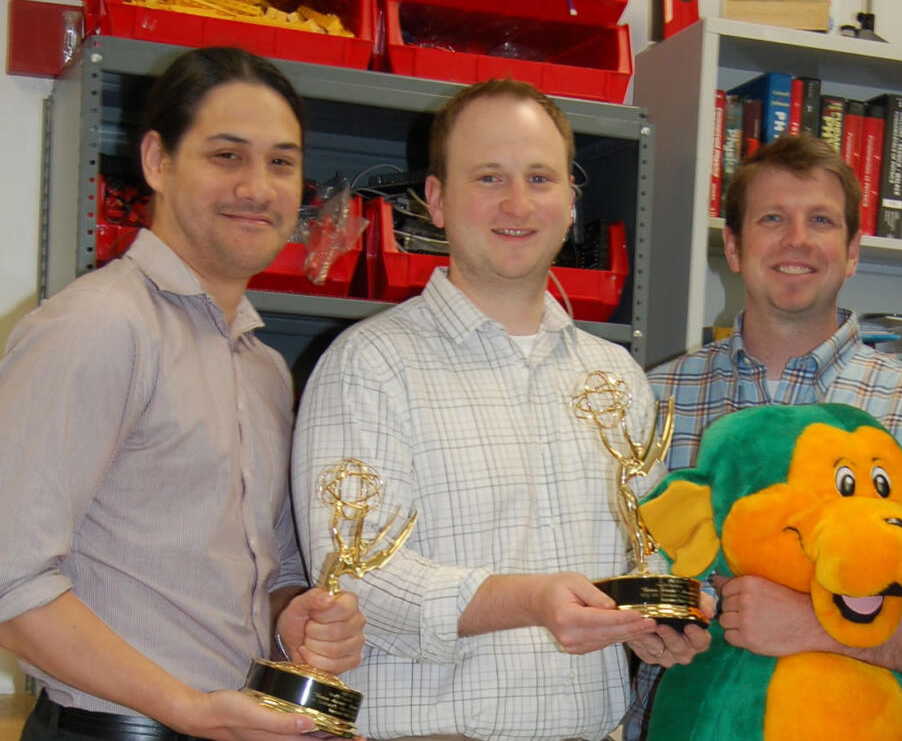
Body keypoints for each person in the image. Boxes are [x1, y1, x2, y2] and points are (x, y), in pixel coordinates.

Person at [291, 78, 713, 741]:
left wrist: (659, 623)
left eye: (541, 178)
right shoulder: (367, 365)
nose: (517, 202)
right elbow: (354, 580)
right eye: (488, 177)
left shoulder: (616, 378)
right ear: (436, 199)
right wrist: (530, 600)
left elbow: (643, 556)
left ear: (571, 202)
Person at [0, 47, 366, 740]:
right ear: (157, 161)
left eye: (281, 162)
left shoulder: (260, 367)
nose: (257, 187)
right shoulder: (99, 326)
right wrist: (187, 708)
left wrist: (295, 614)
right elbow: (10, 582)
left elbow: (273, 570)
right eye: (227, 155)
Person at [625, 133, 902, 740]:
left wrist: (812, 625)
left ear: (852, 252)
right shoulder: (655, 400)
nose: (796, 240)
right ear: (735, 248)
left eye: (820, 220)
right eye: (773, 219)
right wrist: (644, 631)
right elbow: (622, 575)